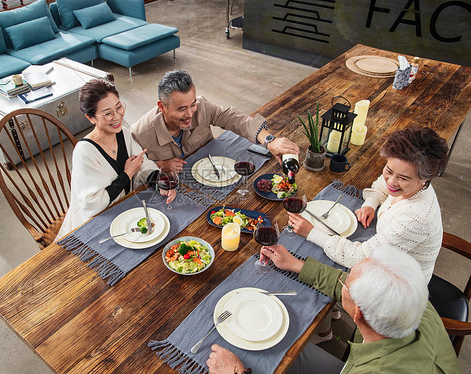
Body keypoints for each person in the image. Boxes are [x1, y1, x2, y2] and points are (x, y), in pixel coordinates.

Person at [206, 245, 460, 374]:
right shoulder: (412, 299)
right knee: (280, 352)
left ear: (357, 313)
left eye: (346, 284)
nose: (342, 282)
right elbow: (357, 292)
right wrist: (297, 265)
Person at [288, 126, 448, 283]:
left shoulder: (416, 219)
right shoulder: (414, 183)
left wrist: (312, 233)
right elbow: (383, 185)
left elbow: (359, 258)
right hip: (385, 251)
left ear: (425, 179)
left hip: (397, 284)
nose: (391, 182)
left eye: (403, 178)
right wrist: (371, 204)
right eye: (389, 170)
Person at [55, 79, 175, 241]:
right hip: (95, 224)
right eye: (107, 113)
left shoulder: (123, 133)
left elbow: (143, 164)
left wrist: (160, 182)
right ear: (90, 118)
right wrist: (127, 174)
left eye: (118, 107)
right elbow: (93, 205)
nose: (117, 117)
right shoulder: (84, 152)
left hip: (125, 211)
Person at [131, 70, 300, 173]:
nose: (190, 114)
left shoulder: (202, 106)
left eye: (192, 105)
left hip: (216, 174)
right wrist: (159, 165)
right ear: (162, 107)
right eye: (181, 109)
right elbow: (134, 172)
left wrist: (269, 141)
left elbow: (233, 117)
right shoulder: (139, 134)